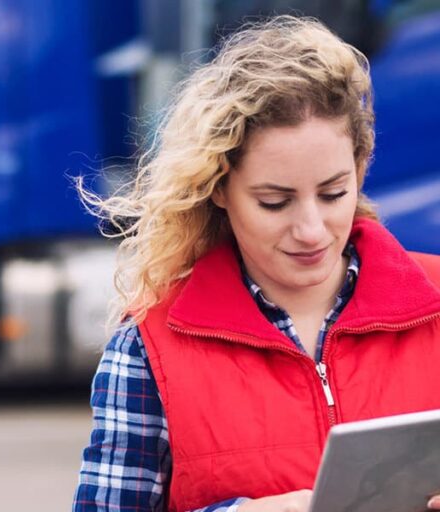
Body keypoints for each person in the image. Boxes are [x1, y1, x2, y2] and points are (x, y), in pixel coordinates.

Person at [72, 15, 440, 512]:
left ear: (359, 169)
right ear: (219, 188)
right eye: (275, 201)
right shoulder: (147, 348)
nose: (311, 229)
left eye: (333, 193)